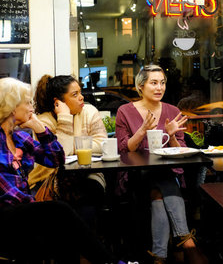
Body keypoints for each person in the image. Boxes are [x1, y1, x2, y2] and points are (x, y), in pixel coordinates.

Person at [0, 77, 129, 264]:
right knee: (59, 212)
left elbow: (56, 159)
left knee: (63, 231)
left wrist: (39, 128)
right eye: (27, 103)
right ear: (11, 107)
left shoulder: (20, 138)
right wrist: (36, 206)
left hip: (23, 212)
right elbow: (8, 194)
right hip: (5, 215)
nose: (32, 108)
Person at [116, 65, 208, 264]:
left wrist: (173, 135)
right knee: (162, 182)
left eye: (163, 83)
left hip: (166, 172)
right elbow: (124, 150)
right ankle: (187, 242)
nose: (160, 88)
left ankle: (159, 257)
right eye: (154, 83)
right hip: (137, 174)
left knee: (158, 194)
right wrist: (142, 130)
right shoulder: (125, 111)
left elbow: (180, 150)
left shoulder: (172, 110)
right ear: (141, 86)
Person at [28, 75, 107, 229]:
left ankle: (83, 250)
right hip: (50, 179)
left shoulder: (89, 111)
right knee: (68, 208)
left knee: (89, 200)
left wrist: (74, 147)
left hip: (90, 174)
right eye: (74, 94)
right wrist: (64, 118)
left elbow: (102, 143)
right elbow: (59, 156)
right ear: (58, 102)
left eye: (80, 92)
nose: (81, 97)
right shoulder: (43, 122)